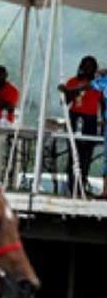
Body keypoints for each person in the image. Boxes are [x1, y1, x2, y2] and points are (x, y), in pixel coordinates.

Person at [58, 56, 102, 195]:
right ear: (81, 66)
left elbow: (103, 102)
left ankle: (82, 184)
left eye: (91, 66)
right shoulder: (73, 81)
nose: (88, 68)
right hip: (75, 117)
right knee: (73, 154)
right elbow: (64, 101)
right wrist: (71, 91)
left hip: (91, 119)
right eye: (86, 65)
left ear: (94, 68)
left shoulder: (98, 83)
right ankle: (72, 187)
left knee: (86, 156)